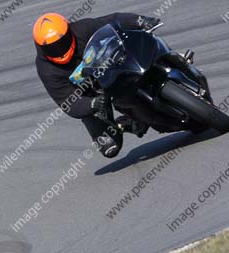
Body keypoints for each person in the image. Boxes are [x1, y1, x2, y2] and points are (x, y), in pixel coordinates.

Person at [33, 12, 161, 158]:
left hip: (111, 71)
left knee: (142, 53)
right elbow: (67, 102)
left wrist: (140, 20)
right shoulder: (47, 70)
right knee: (110, 147)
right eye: (51, 47)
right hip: (91, 96)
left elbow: (112, 21)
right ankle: (128, 123)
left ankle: (173, 62)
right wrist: (93, 104)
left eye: (61, 43)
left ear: (69, 32)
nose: (59, 49)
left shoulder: (82, 29)